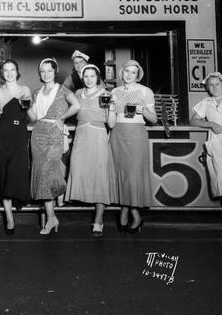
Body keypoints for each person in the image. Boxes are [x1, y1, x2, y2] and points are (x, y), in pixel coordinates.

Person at [27, 58, 80, 235]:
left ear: (55, 71)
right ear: (39, 73)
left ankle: (52, 216)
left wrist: (62, 118)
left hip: (54, 133)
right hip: (38, 133)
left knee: (48, 173)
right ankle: (51, 218)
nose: (46, 74)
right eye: (43, 71)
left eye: (49, 70)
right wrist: (25, 106)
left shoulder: (63, 90)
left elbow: (77, 106)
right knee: (42, 174)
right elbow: (33, 117)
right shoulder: (36, 92)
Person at [64, 64, 117, 237]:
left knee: (99, 176)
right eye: (85, 76)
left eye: (92, 76)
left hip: (98, 135)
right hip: (80, 135)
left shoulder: (106, 93)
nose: (88, 79)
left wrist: (112, 107)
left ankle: (98, 220)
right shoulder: (78, 93)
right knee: (77, 171)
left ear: (98, 77)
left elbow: (111, 124)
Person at [108, 60, 158, 233]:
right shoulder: (114, 91)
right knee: (121, 175)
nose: (129, 75)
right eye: (127, 71)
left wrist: (142, 110)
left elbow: (153, 119)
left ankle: (130, 212)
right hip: (117, 135)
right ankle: (128, 211)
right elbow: (111, 118)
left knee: (133, 176)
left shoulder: (146, 91)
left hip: (136, 134)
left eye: (133, 72)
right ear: (122, 73)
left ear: (138, 75)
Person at [0, 59, 32, 235]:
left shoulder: (24, 90)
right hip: (2, 136)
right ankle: (9, 217)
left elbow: (30, 116)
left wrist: (25, 104)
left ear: (17, 71)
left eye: (12, 69)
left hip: (18, 135)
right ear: (1, 73)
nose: (9, 73)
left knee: (17, 172)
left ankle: (18, 201)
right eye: (6, 70)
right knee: (4, 175)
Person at [190, 71, 222, 198]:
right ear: (207, 87)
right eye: (211, 85)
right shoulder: (207, 102)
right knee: (220, 181)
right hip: (217, 144)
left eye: (217, 84)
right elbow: (193, 121)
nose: (214, 87)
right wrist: (211, 124)